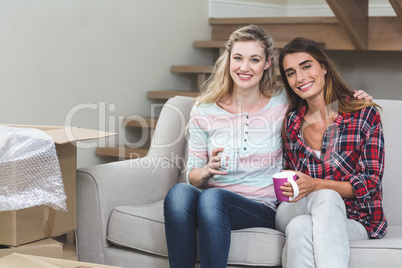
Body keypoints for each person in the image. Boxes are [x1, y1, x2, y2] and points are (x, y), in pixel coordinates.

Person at [163, 25, 373, 268]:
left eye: (254, 59)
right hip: (212, 198)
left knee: (212, 198)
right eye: (238, 58)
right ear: (228, 59)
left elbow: (317, 98)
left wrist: (353, 99)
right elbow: (193, 177)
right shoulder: (204, 109)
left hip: (259, 206)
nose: (244, 67)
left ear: (266, 63)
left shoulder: (283, 103)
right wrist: (207, 170)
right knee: (178, 194)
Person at [275, 37, 387, 268]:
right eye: (291, 72)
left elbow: (370, 184)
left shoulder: (363, 115)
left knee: (301, 228)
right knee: (322, 199)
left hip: (354, 220)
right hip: (297, 206)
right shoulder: (292, 122)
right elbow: (289, 181)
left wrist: (316, 184)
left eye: (306, 66)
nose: (300, 77)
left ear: (323, 67)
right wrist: (308, 188)